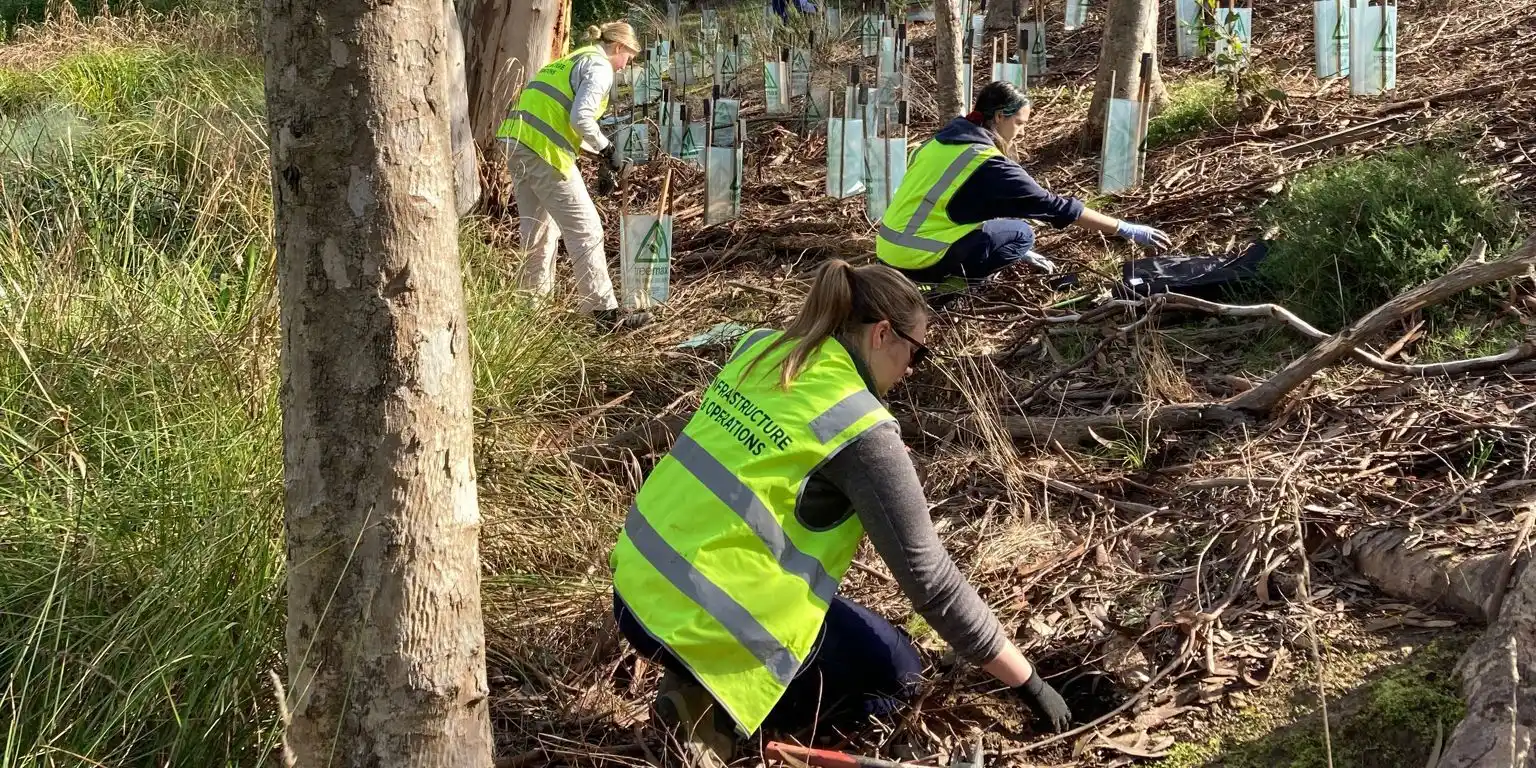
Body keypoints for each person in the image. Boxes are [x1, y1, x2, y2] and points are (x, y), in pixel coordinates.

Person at [609, 260, 1071, 765]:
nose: (912, 371)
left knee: (863, 631)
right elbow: (931, 580)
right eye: (917, 353)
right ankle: (718, 715)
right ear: (881, 335)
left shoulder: (759, 349)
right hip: (714, 622)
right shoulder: (859, 427)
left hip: (637, 594)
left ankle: (692, 680)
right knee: (896, 675)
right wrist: (1030, 682)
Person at [877, 80, 1172, 292]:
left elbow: (952, 205)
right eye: (1020, 123)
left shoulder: (938, 143)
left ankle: (941, 278)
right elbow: (1053, 206)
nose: (1022, 132)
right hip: (919, 262)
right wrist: (1124, 228)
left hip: (887, 253)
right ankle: (951, 289)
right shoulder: (986, 162)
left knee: (1005, 229)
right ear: (999, 117)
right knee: (1021, 234)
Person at [500, 22, 650, 332]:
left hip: (517, 142)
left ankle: (531, 313)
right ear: (619, 48)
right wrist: (608, 149)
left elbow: (561, 118)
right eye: (629, 58)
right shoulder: (600, 67)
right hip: (543, 151)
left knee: (538, 231)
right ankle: (602, 312)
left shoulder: (575, 58)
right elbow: (580, 117)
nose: (626, 66)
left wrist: (601, 158)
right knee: (586, 228)